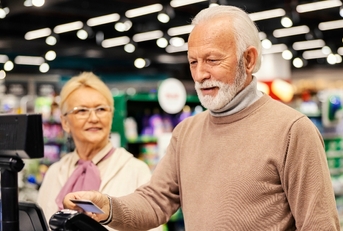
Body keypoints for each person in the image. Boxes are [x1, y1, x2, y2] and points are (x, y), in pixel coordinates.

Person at [63, 6, 340, 230]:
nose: (199, 74)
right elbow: (155, 201)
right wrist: (107, 207)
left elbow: (320, 225)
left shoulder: (292, 131)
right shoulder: (187, 132)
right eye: (193, 62)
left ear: (249, 60)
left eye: (212, 60)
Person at [37, 72, 162, 231]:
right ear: (65, 122)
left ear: (111, 117)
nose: (94, 118)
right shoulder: (55, 172)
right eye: (82, 110)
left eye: (101, 109)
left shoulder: (136, 170)